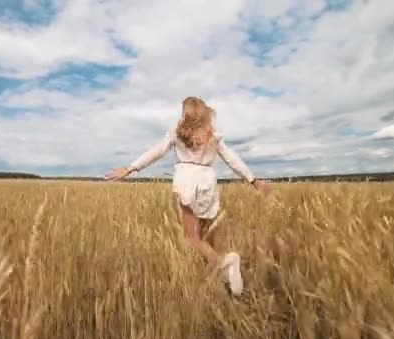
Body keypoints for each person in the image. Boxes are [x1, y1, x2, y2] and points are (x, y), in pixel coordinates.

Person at [104, 96, 272, 296]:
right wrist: (253, 180)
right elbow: (232, 160)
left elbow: (156, 152)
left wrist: (130, 168)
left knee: (191, 238)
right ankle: (220, 282)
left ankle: (224, 262)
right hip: (208, 184)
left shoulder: (176, 134)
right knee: (206, 238)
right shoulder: (214, 137)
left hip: (187, 184)